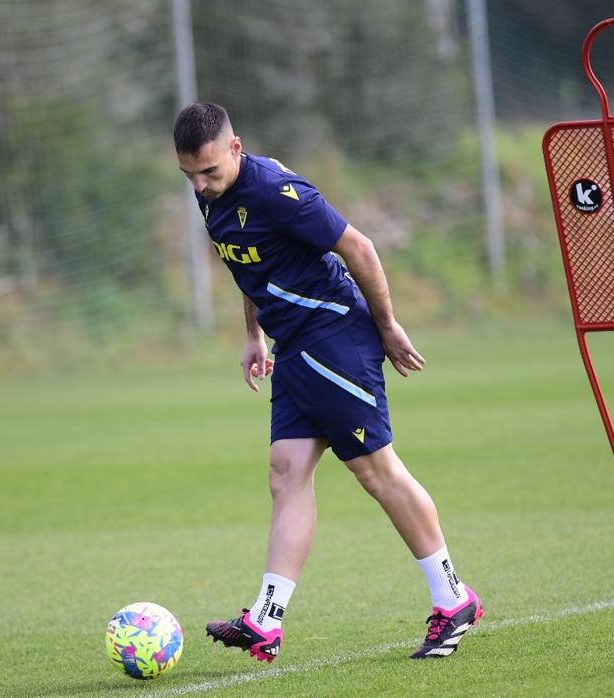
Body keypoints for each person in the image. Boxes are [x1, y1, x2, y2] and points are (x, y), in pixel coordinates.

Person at [173, 102, 483, 662]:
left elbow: (359, 247)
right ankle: (265, 620)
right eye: (189, 175)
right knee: (286, 473)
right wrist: (254, 335)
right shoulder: (210, 194)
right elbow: (248, 264)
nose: (200, 184)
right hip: (293, 347)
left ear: (235, 148)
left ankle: (453, 597)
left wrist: (386, 327)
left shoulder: (277, 192)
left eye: (210, 172)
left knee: (376, 472)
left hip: (334, 336)